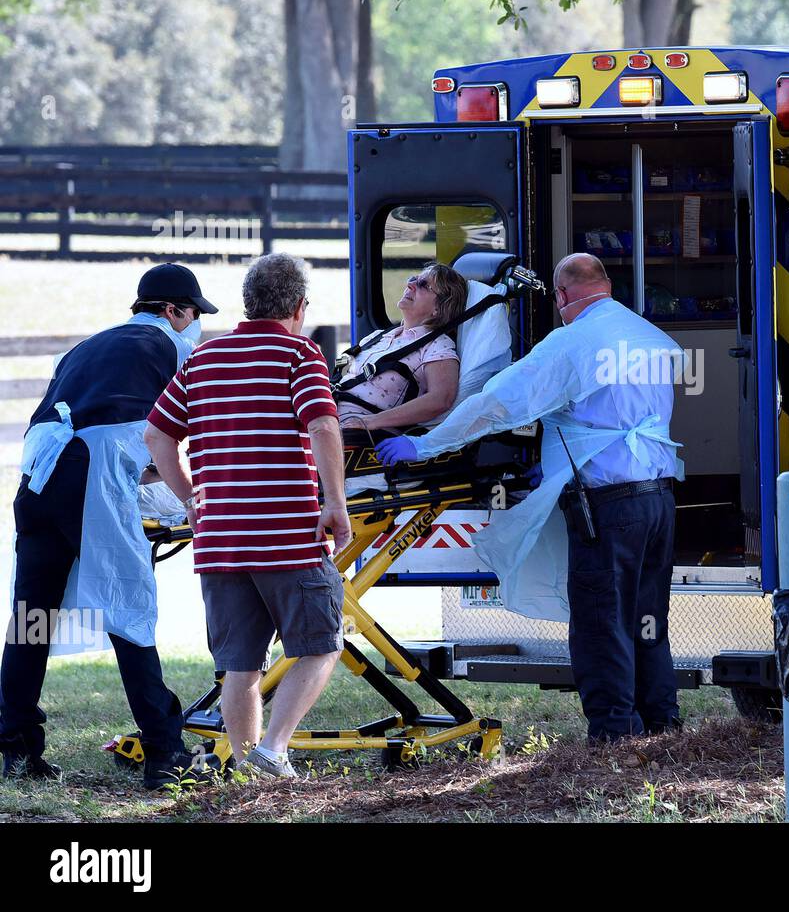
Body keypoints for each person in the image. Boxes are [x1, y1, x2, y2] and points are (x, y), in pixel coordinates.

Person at [376, 253, 684, 742]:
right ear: (605, 286)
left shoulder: (571, 343)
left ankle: (615, 733)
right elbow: (615, 412)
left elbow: (499, 402)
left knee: (602, 620)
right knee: (646, 614)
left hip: (607, 503)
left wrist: (425, 444)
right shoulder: (644, 334)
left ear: (561, 297)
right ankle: (662, 720)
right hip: (659, 496)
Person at [1, 263, 218, 789]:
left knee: (32, 617)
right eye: (192, 314)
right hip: (88, 479)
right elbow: (174, 438)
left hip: (37, 480)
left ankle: (13, 747)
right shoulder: (174, 348)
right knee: (129, 611)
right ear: (173, 310)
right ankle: (166, 753)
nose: (195, 324)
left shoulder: (83, 347)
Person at [144, 253, 351, 778]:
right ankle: (274, 748)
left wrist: (191, 499)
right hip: (286, 532)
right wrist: (335, 503)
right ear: (299, 306)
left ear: (246, 303)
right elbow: (325, 428)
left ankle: (246, 767)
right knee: (322, 645)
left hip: (220, 541)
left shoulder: (203, 359)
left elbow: (157, 435)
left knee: (239, 664)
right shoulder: (300, 354)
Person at [336, 262, 466, 434]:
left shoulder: (436, 344)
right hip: (327, 413)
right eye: (413, 279)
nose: (410, 285)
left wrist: (373, 421)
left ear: (439, 308)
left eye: (423, 285)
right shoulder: (377, 336)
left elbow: (441, 399)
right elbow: (339, 373)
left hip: (357, 430)